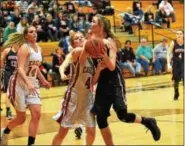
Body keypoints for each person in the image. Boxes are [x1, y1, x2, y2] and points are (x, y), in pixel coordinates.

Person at [80, 14, 161, 145]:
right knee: (101, 119)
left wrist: (103, 55)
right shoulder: (91, 42)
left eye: (93, 21)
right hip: (102, 83)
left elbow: (111, 67)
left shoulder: (110, 42)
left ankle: (148, 121)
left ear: (101, 26)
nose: (90, 23)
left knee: (122, 115)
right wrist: (86, 46)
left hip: (115, 81)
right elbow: (81, 61)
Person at [52, 31, 105, 145]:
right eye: (77, 38)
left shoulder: (91, 60)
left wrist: (99, 70)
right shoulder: (76, 52)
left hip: (88, 98)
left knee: (91, 131)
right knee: (62, 133)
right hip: (73, 98)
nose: (80, 39)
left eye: (82, 37)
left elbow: (93, 82)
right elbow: (89, 48)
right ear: (73, 43)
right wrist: (100, 41)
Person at [0, 26, 51, 146]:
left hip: (32, 84)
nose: (34, 33)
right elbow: (20, 68)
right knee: (21, 119)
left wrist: (43, 80)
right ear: (26, 36)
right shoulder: (24, 48)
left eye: (35, 31)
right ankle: (5, 131)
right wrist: (28, 83)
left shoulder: (39, 48)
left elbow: (36, 67)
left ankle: (31, 144)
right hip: (18, 84)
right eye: (31, 32)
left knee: (37, 114)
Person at [0, 34, 21, 120]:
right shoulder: (7, 50)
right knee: (7, 91)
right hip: (7, 72)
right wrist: (1, 68)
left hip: (15, 73)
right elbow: (2, 59)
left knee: (3, 90)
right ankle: (8, 111)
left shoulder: (20, 51)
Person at [168, 30, 184, 100]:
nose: (179, 35)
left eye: (180, 34)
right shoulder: (173, 43)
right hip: (176, 64)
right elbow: (169, 54)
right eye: (177, 34)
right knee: (176, 81)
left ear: (183, 35)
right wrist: (168, 64)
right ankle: (176, 93)